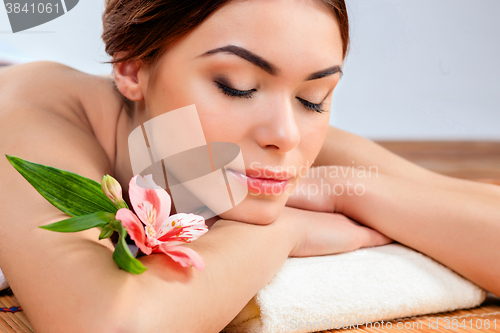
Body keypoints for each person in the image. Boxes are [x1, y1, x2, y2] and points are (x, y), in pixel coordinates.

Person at [0, 0, 498, 332]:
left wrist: (352, 192)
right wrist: (283, 230)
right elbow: (108, 324)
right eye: (237, 86)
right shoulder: (27, 110)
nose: (285, 134)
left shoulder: (274, 137)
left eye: (315, 96)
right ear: (132, 67)